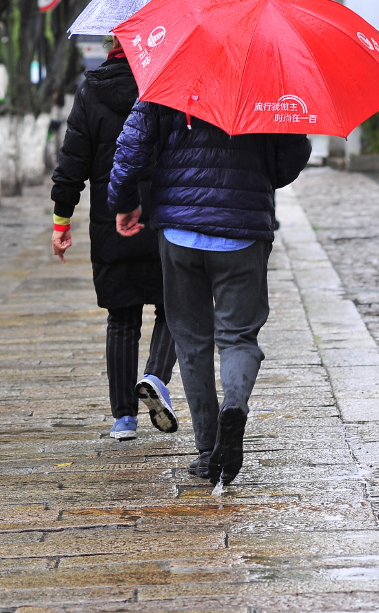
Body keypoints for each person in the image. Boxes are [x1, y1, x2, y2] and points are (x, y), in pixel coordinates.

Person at [108, 102, 310, 486]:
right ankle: (234, 405)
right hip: (243, 230)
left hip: (179, 230)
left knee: (191, 341)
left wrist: (124, 201)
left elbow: (130, 147)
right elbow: (293, 154)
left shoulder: (168, 73)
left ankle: (207, 449)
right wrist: (260, 177)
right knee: (238, 337)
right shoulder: (268, 80)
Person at [50, 36, 178, 442]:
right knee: (173, 306)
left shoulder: (91, 89)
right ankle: (155, 377)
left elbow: (73, 161)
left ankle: (124, 419)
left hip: (111, 219)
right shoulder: (167, 81)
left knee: (122, 317)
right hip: (164, 214)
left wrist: (61, 219)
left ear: (112, 43)